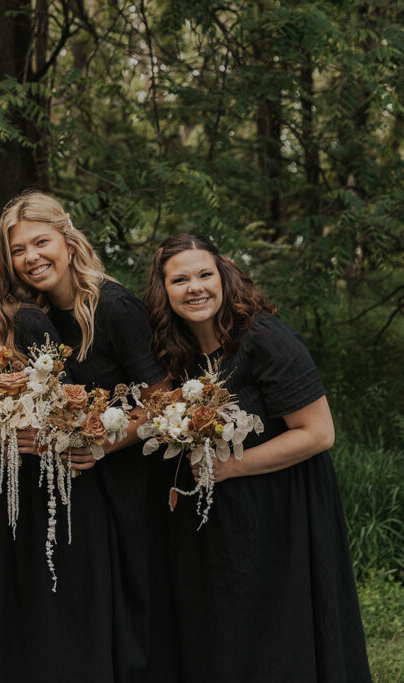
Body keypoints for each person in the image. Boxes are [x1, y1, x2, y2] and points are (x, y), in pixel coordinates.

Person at [144, 233, 371, 682]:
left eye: (205, 274)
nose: (195, 287)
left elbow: (319, 432)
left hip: (279, 517)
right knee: (224, 637)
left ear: (224, 277)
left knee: (274, 638)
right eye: (180, 279)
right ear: (164, 291)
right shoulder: (180, 356)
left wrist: (230, 467)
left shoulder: (263, 336)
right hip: (217, 526)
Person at [2, 190, 175, 681]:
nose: (31, 258)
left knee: (132, 607)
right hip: (83, 488)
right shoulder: (41, 314)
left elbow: (163, 398)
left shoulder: (113, 304)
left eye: (40, 242)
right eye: (18, 250)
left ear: (67, 238)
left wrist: (101, 444)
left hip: (129, 481)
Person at [0, 207, 114, 681]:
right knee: (4, 628)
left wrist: (53, 436)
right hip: (1, 497)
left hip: (54, 496)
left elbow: (73, 408)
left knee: (54, 628)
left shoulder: (29, 322)